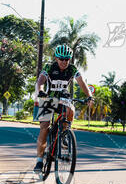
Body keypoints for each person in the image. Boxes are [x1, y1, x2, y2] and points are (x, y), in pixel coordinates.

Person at [33, 44, 94, 173]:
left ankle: (64, 133)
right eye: (62, 59)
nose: (64, 62)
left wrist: (89, 96)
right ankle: (39, 160)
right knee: (44, 127)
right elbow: (40, 82)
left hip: (63, 99)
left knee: (70, 109)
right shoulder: (49, 67)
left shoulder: (72, 69)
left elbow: (82, 83)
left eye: (67, 59)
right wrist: (40, 91)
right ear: (56, 58)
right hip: (48, 98)